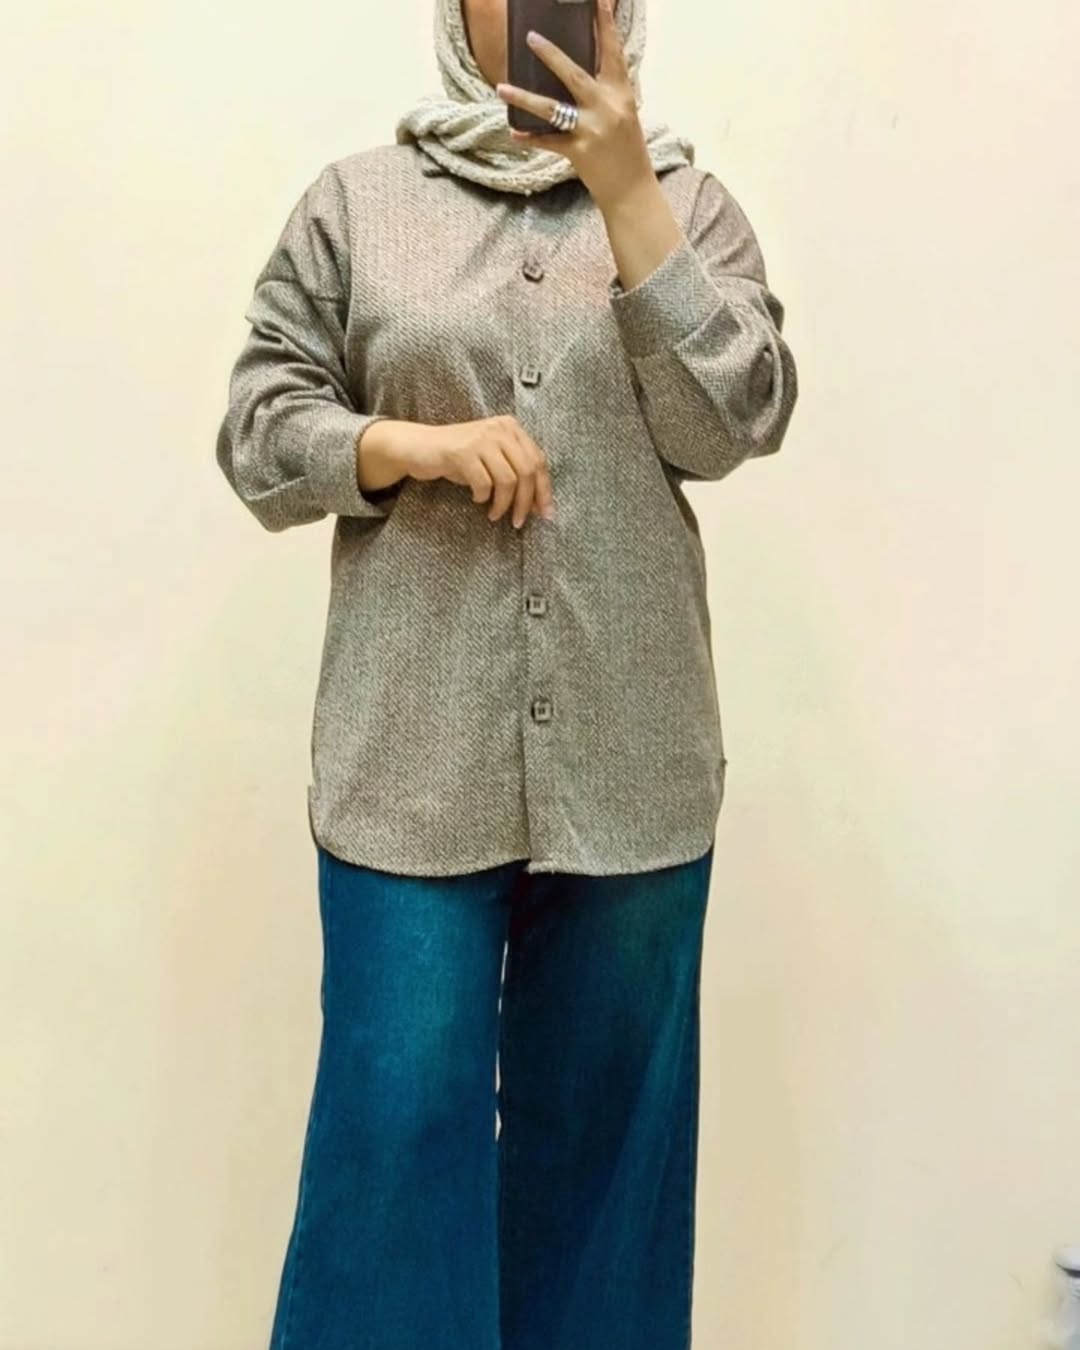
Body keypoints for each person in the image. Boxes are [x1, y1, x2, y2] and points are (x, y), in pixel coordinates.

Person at [214, 0, 798, 1344]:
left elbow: (735, 422)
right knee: (390, 1155)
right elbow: (258, 425)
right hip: (409, 768)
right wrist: (400, 446)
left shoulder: (689, 206)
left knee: (606, 1175)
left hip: (632, 766)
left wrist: (631, 196)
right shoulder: (355, 207)